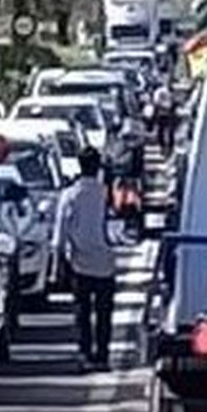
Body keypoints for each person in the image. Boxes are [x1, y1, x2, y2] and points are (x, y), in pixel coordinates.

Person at [54, 146, 118, 371]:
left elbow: (60, 233)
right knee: (103, 312)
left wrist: (60, 260)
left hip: (80, 262)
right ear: (97, 165)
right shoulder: (106, 193)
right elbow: (117, 227)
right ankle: (102, 354)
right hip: (106, 262)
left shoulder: (70, 195)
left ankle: (84, 352)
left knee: (82, 312)